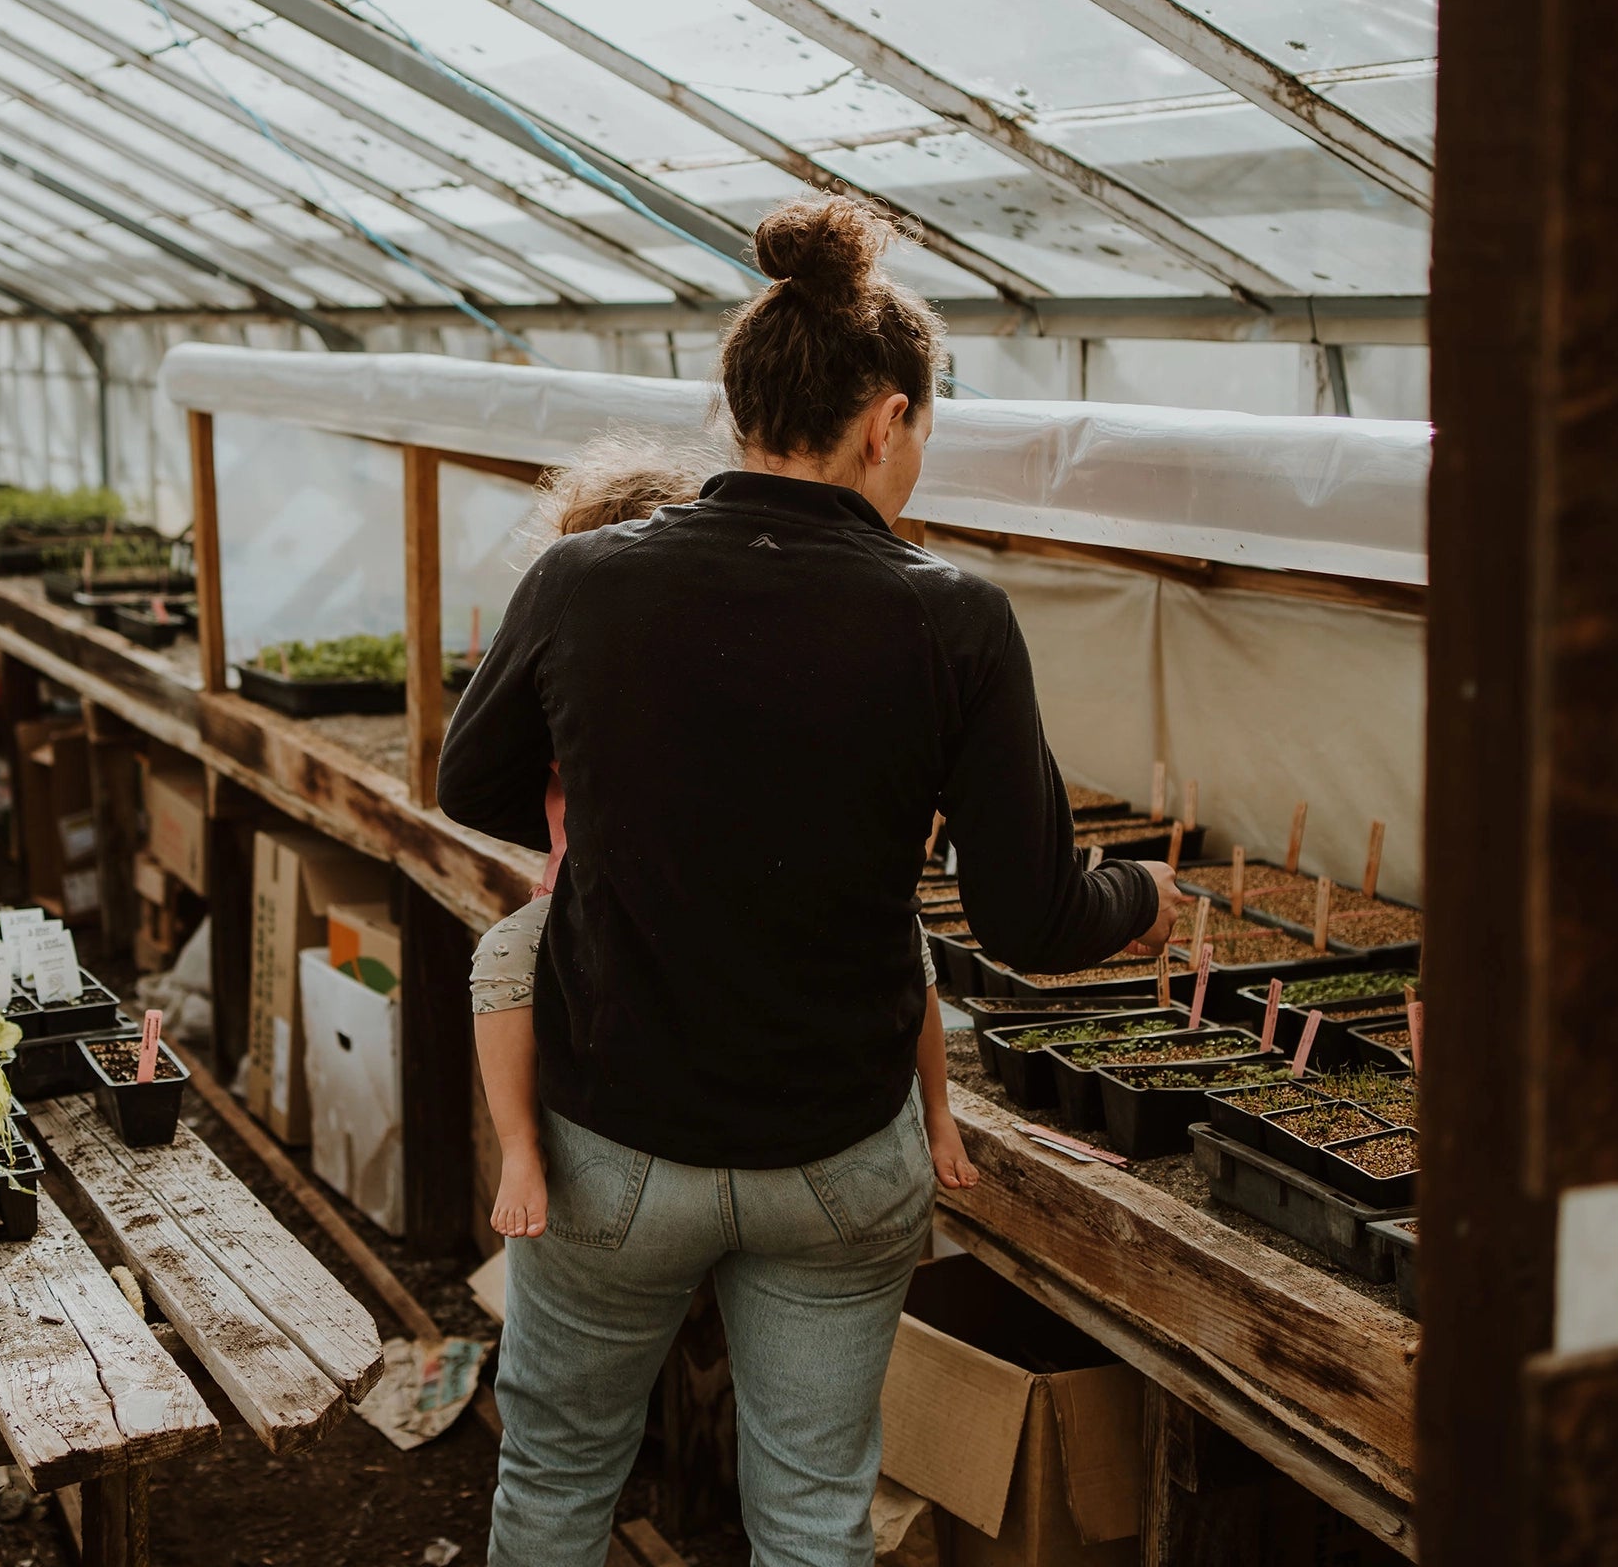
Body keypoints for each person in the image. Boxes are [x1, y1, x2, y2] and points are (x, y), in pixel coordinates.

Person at [440, 194, 1178, 1567]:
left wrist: (626, 818)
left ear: (738, 407)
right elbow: (1030, 915)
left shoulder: (586, 581)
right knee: (816, 1514)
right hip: (836, 1158)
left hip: (615, 1148)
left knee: (554, 1484)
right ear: (888, 419)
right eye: (923, 436)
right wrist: (1144, 899)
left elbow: (471, 785)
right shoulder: (952, 617)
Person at [468, 435, 981, 1242]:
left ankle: (938, 1114)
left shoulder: (598, 624)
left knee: (508, 960)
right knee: (508, 957)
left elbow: (473, 780)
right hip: (754, 1009)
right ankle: (519, 1149)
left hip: (637, 969)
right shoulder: (623, 658)